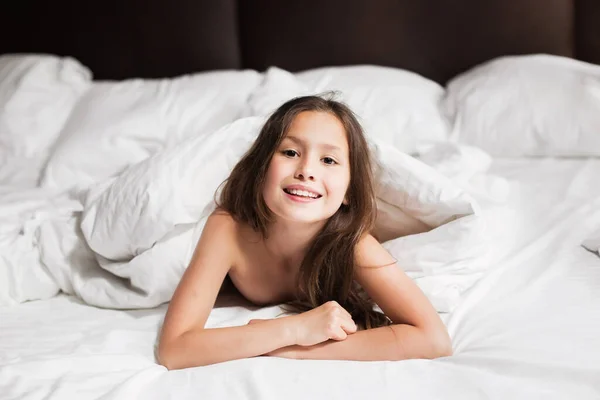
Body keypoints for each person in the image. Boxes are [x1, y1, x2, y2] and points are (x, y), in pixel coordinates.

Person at [157, 95, 452, 369]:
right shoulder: (228, 227)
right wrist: (294, 329)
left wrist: (296, 350)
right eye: (290, 152)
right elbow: (175, 348)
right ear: (262, 169)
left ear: (348, 191)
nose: (306, 170)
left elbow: (433, 338)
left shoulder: (353, 243)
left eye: (328, 160)